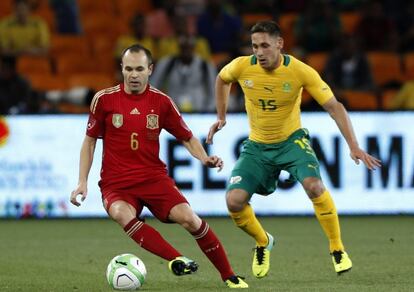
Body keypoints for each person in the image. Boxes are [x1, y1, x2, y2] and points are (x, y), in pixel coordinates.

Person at [206, 21, 381, 278]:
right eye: (255, 46)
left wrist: (353, 145)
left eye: (265, 45)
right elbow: (222, 79)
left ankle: (337, 248)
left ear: (280, 44)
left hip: (292, 142)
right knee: (233, 202)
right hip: (257, 146)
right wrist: (221, 116)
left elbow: (335, 107)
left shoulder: (300, 71)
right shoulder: (242, 66)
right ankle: (263, 241)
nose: (259, 52)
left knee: (314, 186)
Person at [69, 44, 248, 289]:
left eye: (139, 69)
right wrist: (82, 182)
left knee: (190, 219)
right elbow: (89, 142)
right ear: (121, 69)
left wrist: (204, 158)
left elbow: (186, 137)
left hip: (153, 179)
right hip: (116, 184)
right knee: (122, 214)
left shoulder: (161, 102)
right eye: (128, 69)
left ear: (150, 69)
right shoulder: (104, 100)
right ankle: (177, 259)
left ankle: (229, 275)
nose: (133, 75)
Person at [151, 35, 216, 112]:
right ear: (179, 47)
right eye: (184, 47)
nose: (186, 50)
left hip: (198, 112)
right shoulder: (167, 63)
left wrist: (207, 112)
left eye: (189, 47)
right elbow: (153, 86)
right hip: (172, 113)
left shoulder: (205, 65)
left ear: (194, 48)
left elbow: (214, 92)